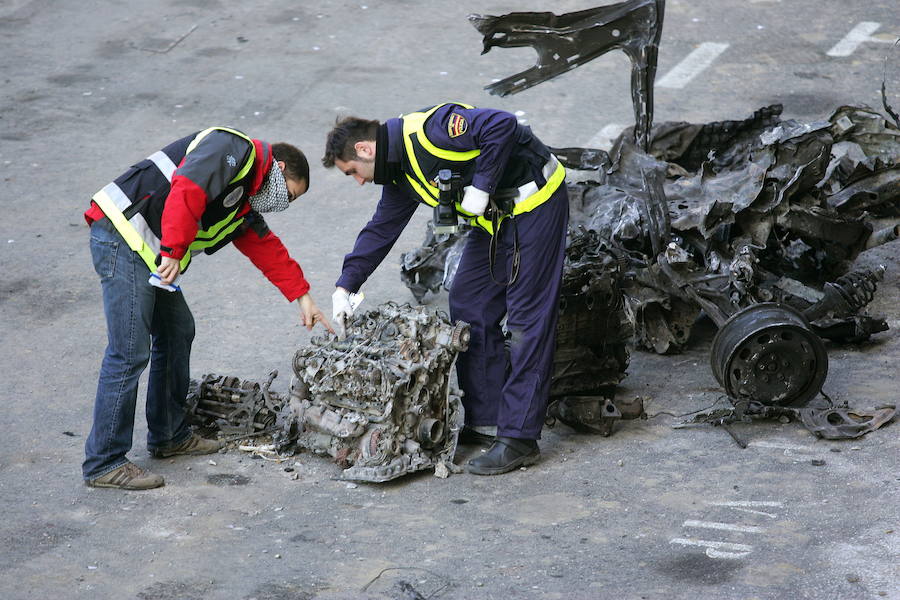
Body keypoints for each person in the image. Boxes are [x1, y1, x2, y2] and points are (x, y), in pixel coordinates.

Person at [323, 103, 568, 475]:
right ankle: (488, 420)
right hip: (495, 220)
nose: (357, 180)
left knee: (526, 321)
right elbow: (381, 229)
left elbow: (500, 124)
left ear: (364, 149)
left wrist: (482, 187)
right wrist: (346, 286)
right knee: (469, 301)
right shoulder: (398, 171)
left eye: (352, 172)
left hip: (535, 206)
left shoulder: (430, 132)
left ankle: (519, 436)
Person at [83, 126, 333, 490]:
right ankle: (104, 460)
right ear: (277, 167)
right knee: (129, 351)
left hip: (150, 253)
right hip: (123, 237)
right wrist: (173, 250)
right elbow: (189, 187)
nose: (284, 203)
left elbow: (264, 245)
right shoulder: (232, 148)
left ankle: (169, 434)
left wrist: (302, 296)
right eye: (289, 194)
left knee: (178, 330)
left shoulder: (244, 197)